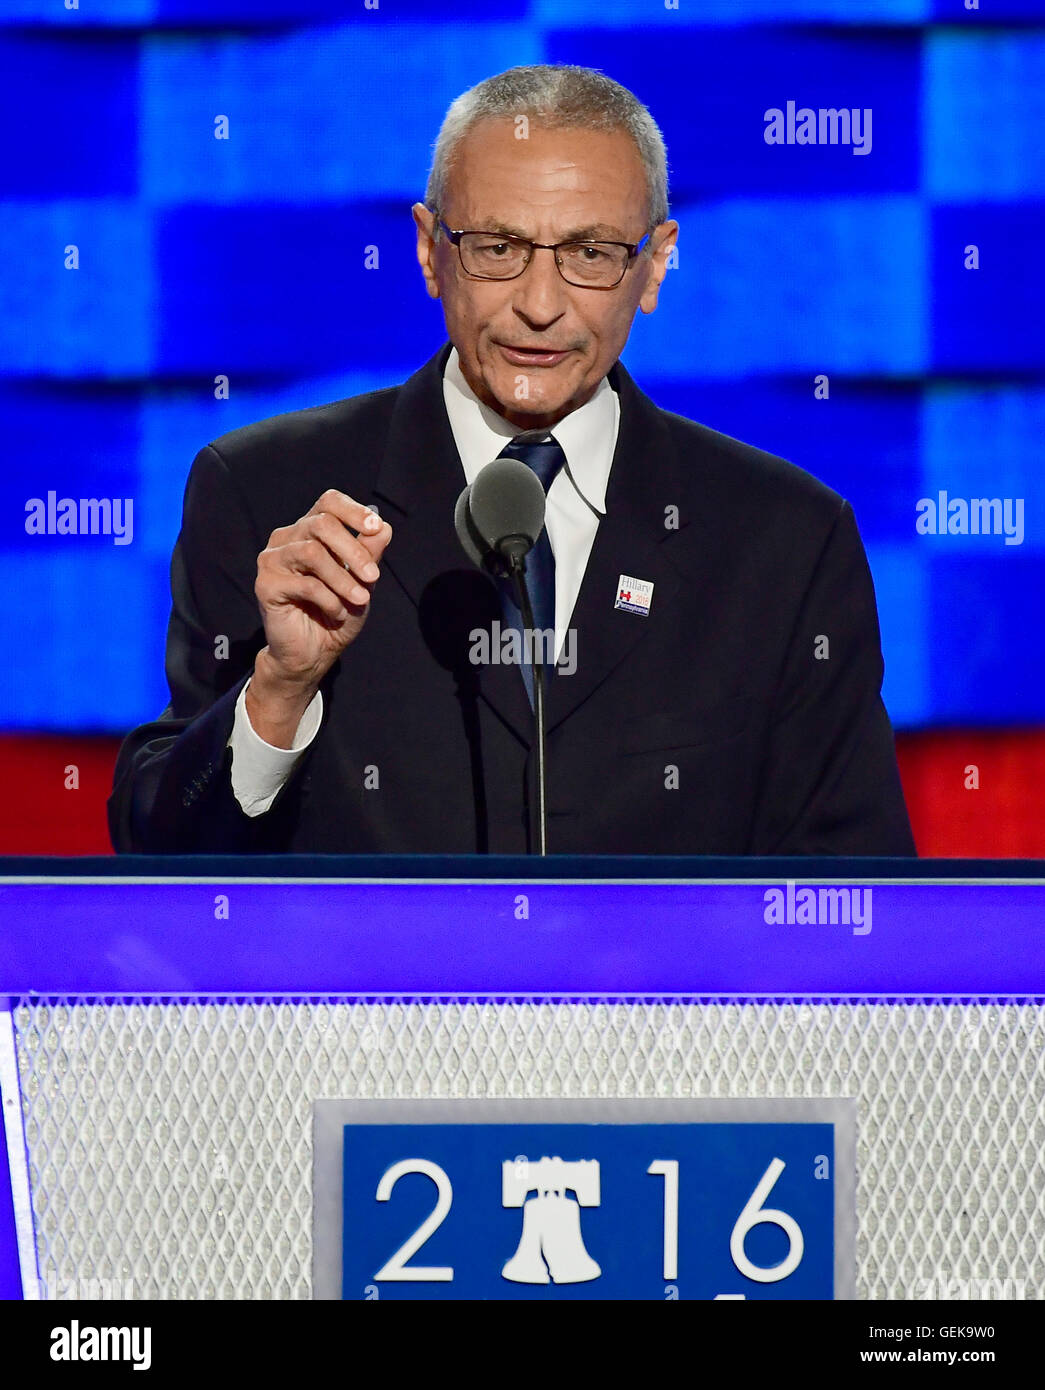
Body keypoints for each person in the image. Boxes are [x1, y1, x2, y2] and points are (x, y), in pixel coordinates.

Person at [109, 64, 915, 857]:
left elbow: (857, 896)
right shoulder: (264, 492)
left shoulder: (784, 539)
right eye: (496, 247)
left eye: (591, 253)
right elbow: (158, 855)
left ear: (654, 264)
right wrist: (279, 692)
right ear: (429, 251)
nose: (538, 303)